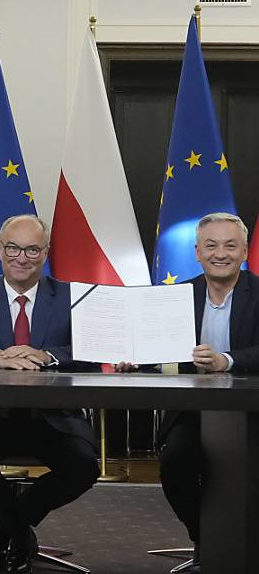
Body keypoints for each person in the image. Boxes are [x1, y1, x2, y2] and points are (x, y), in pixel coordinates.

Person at [0, 214, 100, 574]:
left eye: (31, 249)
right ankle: (19, 530)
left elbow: (91, 352)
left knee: (85, 466)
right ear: (0, 250)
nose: (21, 257)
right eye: (13, 248)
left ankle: (8, 526)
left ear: (45, 252)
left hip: (55, 418)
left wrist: (47, 355)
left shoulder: (69, 296)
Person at [154, 212, 259, 573]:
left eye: (230, 245)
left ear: (244, 251)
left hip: (251, 411)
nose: (221, 254)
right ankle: (207, 539)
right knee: (175, 465)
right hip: (192, 410)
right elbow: (158, 357)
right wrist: (136, 359)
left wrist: (225, 360)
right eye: (211, 245)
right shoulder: (174, 297)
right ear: (197, 252)